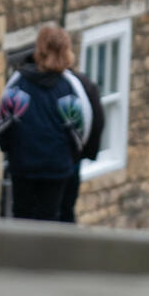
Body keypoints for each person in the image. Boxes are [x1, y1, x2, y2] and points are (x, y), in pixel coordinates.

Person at [0, 25, 92, 222]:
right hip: (57, 166)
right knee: (49, 219)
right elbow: (81, 130)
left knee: (21, 215)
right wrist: (70, 156)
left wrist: (9, 150)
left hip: (23, 163)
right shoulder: (69, 86)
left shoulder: (19, 82)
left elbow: (2, 125)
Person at [59, 68, 105, 223]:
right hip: (71, 159)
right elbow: (97, 120)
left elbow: (96, 119)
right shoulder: (79, 82)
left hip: (65, 160)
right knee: (65, 212)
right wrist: (85, 152)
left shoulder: (77, 84)